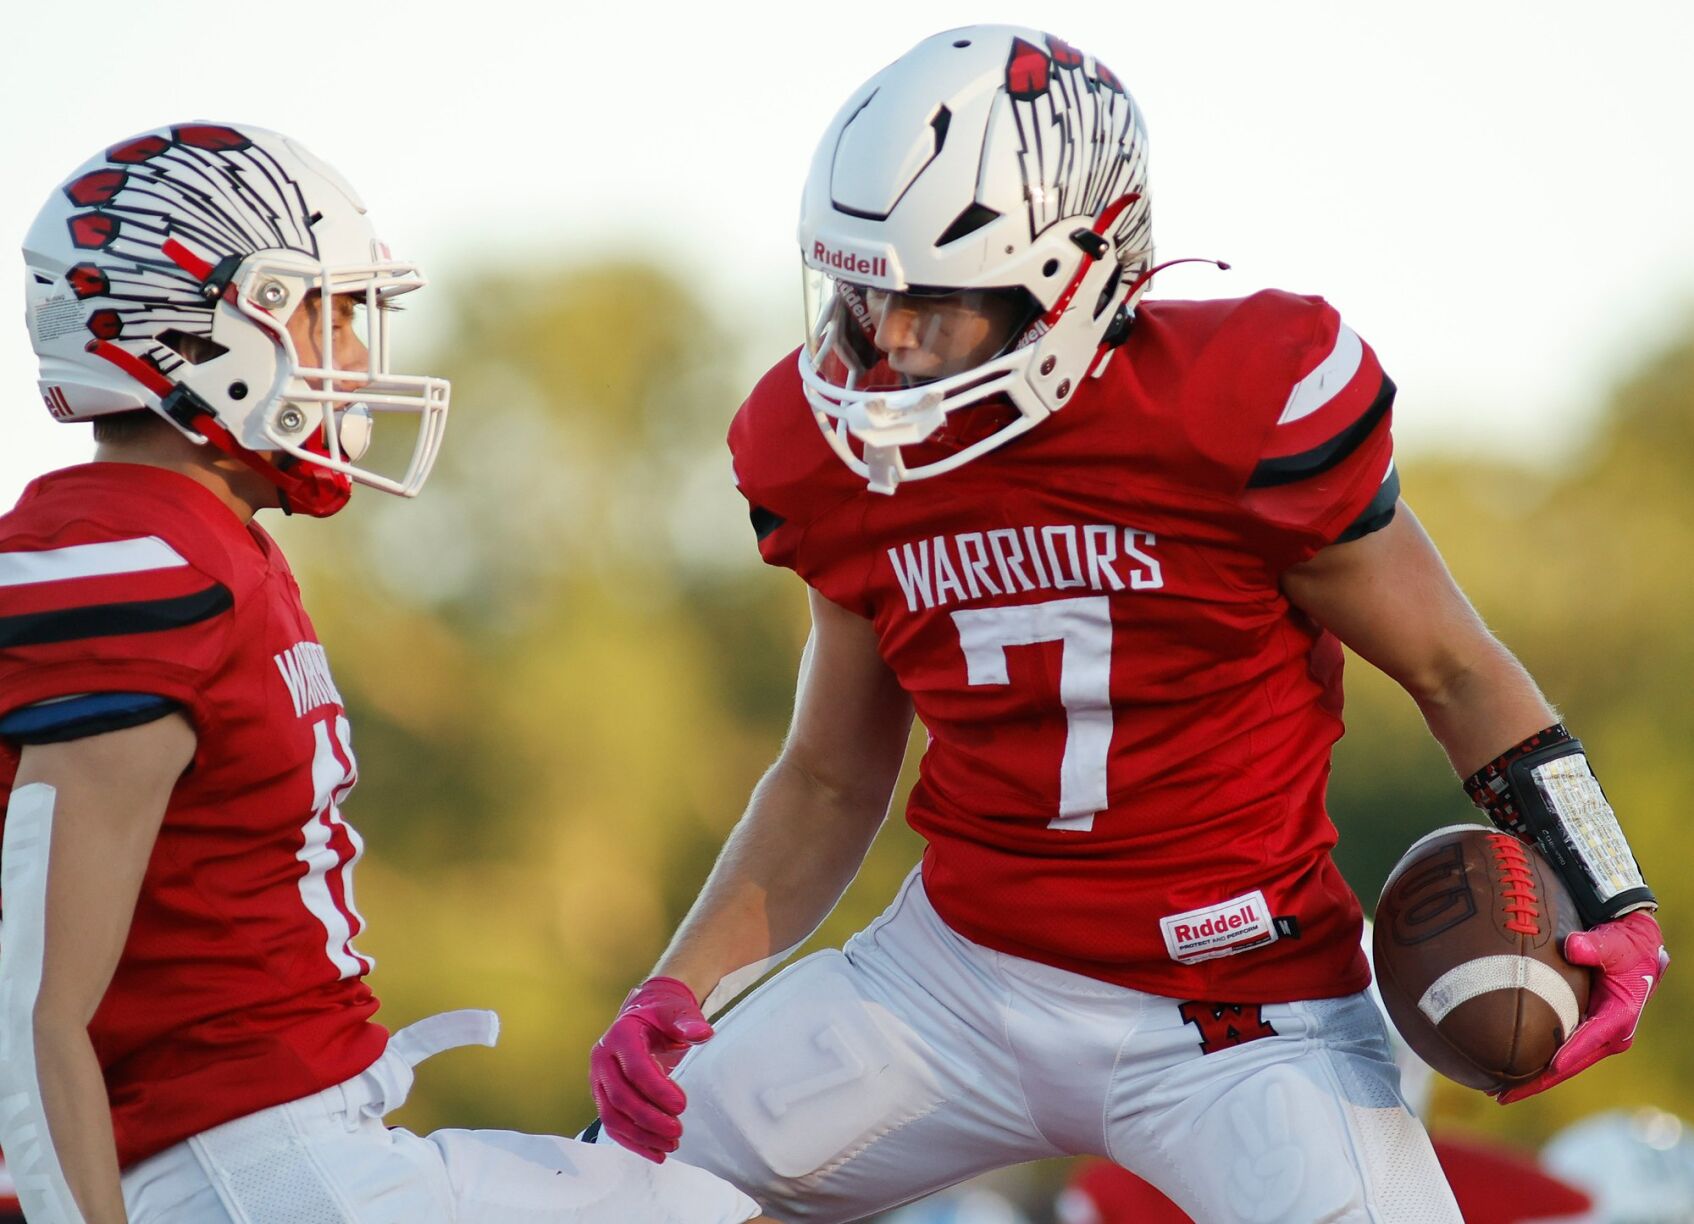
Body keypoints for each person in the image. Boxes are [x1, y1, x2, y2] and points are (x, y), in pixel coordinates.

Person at [588, 24, 1669, 1223]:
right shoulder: (830, 458)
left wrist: (1609, 892)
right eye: (860, 291)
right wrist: (675, 987)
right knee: (614, 1181)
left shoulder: (1233, 412)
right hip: (951, 979)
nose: (884, 344)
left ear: (1073, 278)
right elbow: (832, 780)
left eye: (931, 303)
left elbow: (1454, 669)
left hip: (1241, 1013)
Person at [0, 122, 761, 1224]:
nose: (354, 359)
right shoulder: (137, 563)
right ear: (213, 328)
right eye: (328, 315)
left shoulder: (203, 537)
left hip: (298, 1147)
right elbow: (35, 1010)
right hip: (243, 1168)